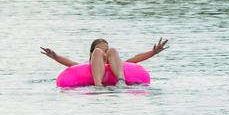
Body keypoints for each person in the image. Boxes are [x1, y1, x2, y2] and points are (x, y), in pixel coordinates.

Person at [41, 37, 169, 86]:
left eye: (105, 51)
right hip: (96, 83)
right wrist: (55, 57)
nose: (104, 54)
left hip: (118, 82)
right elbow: (69, 63)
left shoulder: (117, 66)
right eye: (102, 51)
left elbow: (136, 59)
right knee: (100, 53)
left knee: (114, 50)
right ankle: (98, 85)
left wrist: (153, 52)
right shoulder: (85, 69)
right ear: (90, 54)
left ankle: (121, 82)